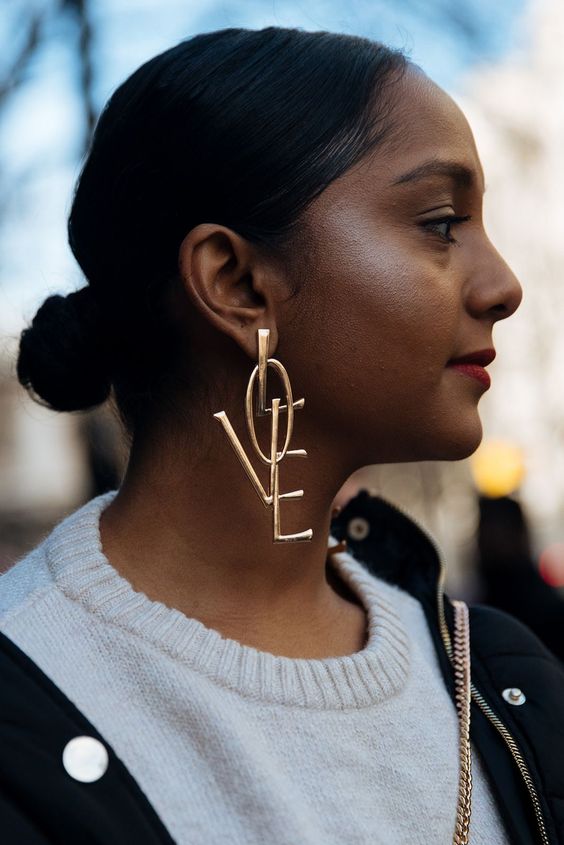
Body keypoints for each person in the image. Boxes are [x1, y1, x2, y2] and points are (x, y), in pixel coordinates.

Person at [1, 26, 563, 845]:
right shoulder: (25, 698)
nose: (502, 285)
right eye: (442, 223)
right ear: (236, 283)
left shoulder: (503, 681)